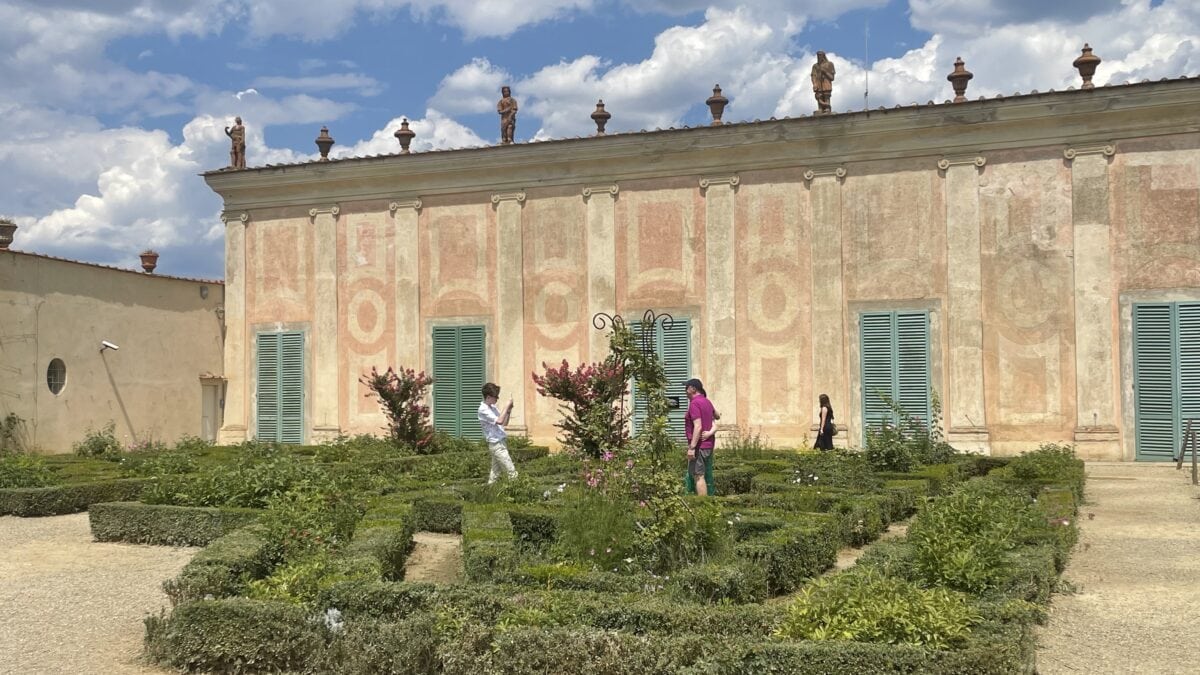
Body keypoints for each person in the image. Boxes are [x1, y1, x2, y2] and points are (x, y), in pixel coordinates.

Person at [478, 382, 518, 483]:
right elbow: (499, 421)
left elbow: (504, 423)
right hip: (496, 445)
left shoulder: (493, 408)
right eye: (495, 396)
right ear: (488, 397)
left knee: (495, 473)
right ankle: (518, 492)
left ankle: (489, 492)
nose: (497, 398)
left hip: (501, 442)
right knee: (511, 471)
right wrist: (506, 405)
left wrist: (508, 411)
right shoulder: (482, 409)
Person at [683, 378, 716, 496]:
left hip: (699, 446)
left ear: (693, 389)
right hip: (708, 444)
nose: (685, 391)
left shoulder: (694, 403)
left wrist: (692, 447)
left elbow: (698, 426)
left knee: (699, 476)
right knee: (704, 474)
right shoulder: (707, 402)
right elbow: (716, 415)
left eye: (686, 388)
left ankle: (703, 506)